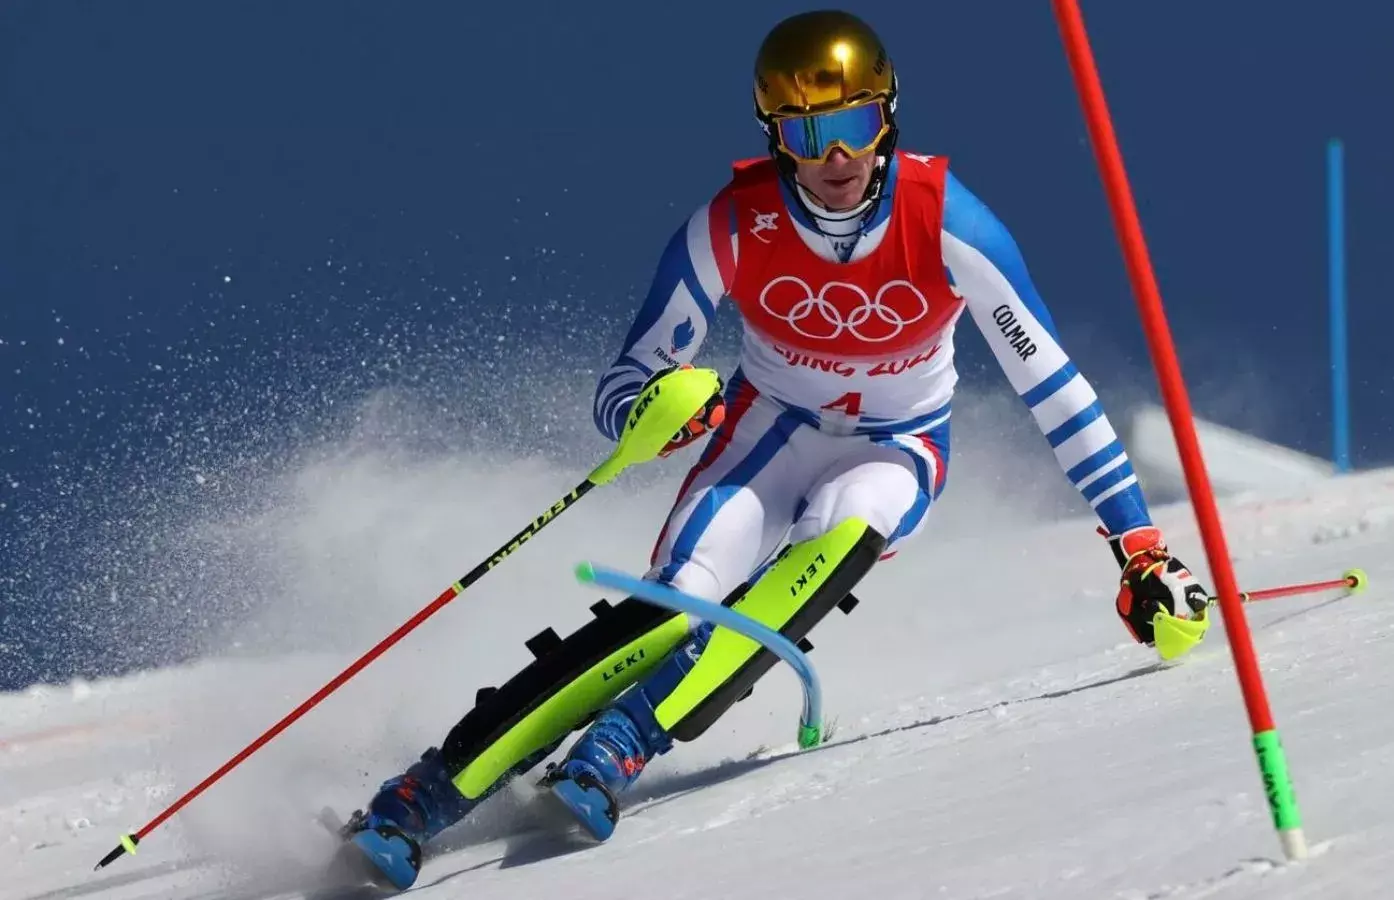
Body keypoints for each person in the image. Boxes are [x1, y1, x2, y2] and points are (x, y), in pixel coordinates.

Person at [338, 9, 1208, 889]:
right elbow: (626, 381)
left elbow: (1055, 391)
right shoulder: (732, 224)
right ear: (775, 138)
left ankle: (619, 746)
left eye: (855, 123)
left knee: (843, 534)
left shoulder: (951, 223)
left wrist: (1139, 545)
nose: (838, 157)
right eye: (807, 133)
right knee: (678, 600)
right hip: (767, 432)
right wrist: (653, 413)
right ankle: (422, 795)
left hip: (896, 446)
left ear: (888, 115)